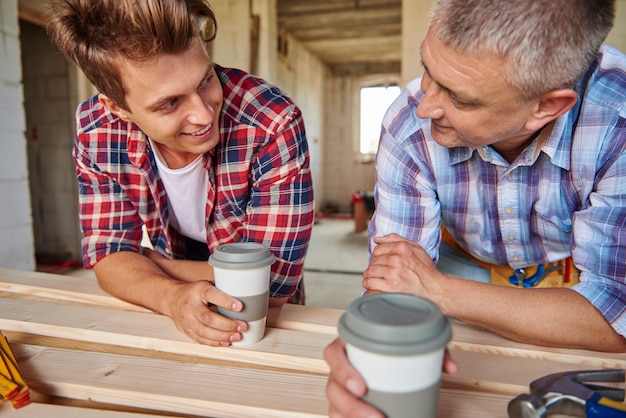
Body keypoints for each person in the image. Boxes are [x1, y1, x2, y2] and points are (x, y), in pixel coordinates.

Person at [324, 0, 626, 415]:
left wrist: (438, 291)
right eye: (428, 70)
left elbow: (614, 314)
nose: (424, 106)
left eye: (460, 99)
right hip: (458, 260)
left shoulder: (619, 124)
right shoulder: (408, 122)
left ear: (547, 107)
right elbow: (397, 280)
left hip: (571, 270)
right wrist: (368, 344)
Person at [46, 0, 314, 347]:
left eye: (205, 80)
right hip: (171, 310)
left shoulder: (271, 121)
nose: (204, 115)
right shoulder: (97, 129)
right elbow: (106, 255)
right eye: (170, 103)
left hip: (267, 328)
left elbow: (272, 285)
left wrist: (143, 263)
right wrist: (171, 297)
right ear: (117, 107)